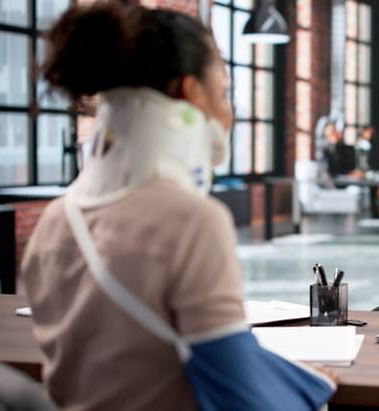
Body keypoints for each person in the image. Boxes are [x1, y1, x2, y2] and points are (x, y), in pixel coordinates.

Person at [21, 4, 335, 410]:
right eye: (224, 92)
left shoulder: (54, 220)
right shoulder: (191, 221)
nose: (229, 113)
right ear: (191, 92)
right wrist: (308, 390)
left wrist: (292, 377)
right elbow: (243, 398)